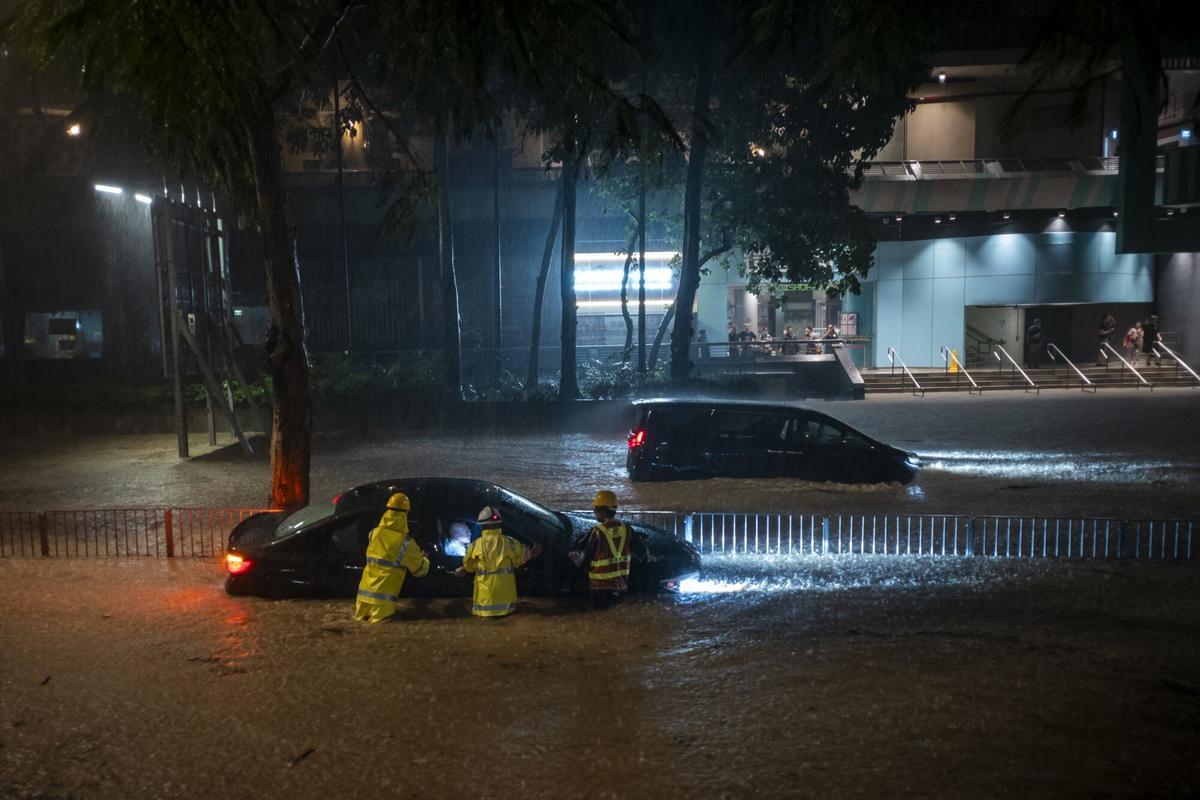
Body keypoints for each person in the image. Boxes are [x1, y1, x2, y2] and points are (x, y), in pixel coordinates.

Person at [354, 492, 430, 623]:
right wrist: (425, 559)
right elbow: (420, 571)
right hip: (383, 602)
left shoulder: (374, 533)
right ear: (405, 515)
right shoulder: (406, 543)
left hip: (362, 599)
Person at [454, 506, 541, 618]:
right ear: (499, 524)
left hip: (484, 607)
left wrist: (464, 569)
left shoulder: (475, 546)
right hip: (508, 608)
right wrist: (532, 552)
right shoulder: (511, 543)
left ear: (482, 525)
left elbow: (468, 566)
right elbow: (522, 558)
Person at [569, 490, 645, 611]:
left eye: (596, 509)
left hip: (599, 589)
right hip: (621, 587)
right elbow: (643, 554)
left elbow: (585, 560)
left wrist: (575, 558)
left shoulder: (597, 532)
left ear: (602, 510)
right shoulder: (627, 529)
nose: (594, 512)